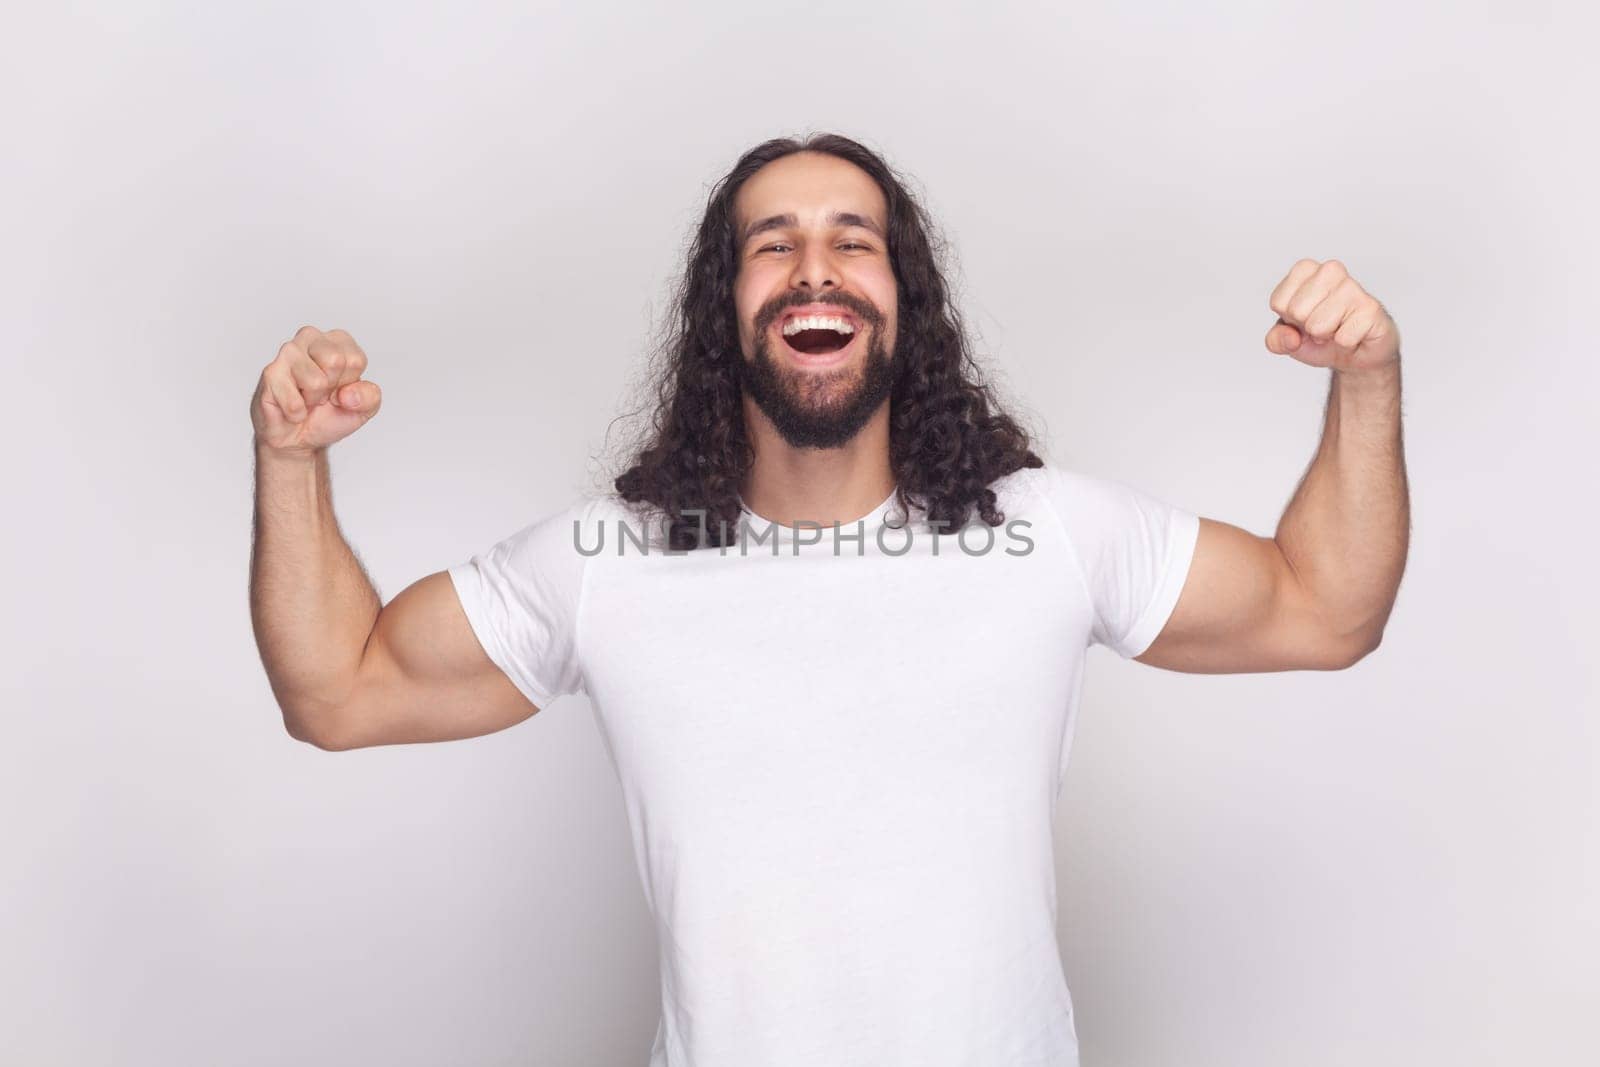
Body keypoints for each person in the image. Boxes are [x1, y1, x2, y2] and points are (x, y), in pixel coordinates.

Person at [247, 133, 1409, 1066]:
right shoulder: (612, 557)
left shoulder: (1046, 529)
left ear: (903, 299)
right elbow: (338, 689)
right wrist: (292, 462)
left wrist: (1365, 384)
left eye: (853, 241)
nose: (815, 267)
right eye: (774, 243)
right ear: (725, 307)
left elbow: (1324, 608)